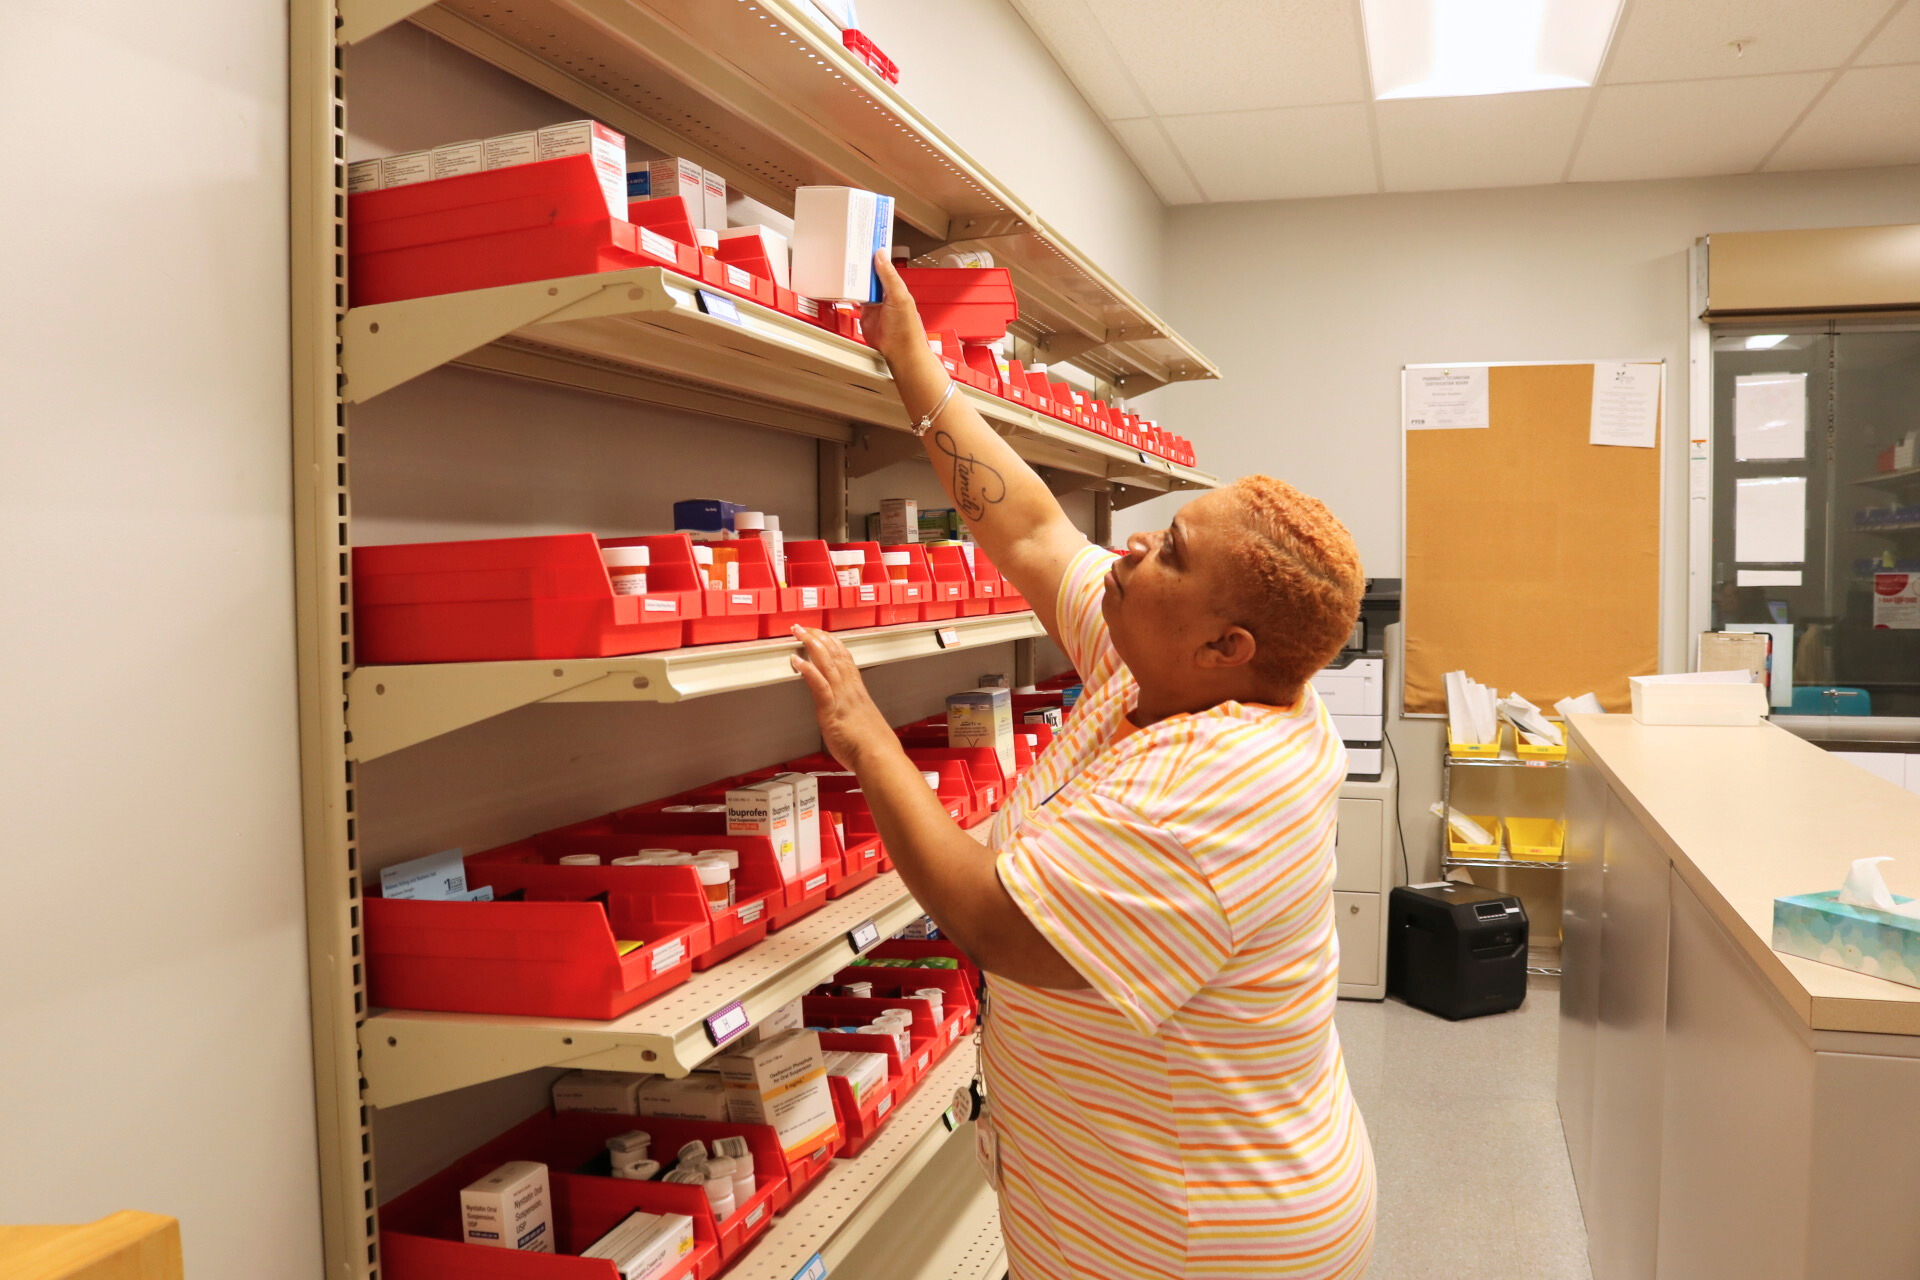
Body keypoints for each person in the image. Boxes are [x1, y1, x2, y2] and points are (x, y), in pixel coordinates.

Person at [788, 253, 1376, 1280]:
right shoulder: (1161, 661)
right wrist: (918, 367)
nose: (1138, 547)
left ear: (1227, 645)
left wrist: (867, 737)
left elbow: (993, 918)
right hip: (1118, 1204)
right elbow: (1030, 526)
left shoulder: (1211, 788)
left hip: (1204, 1241)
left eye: (1176, 551)